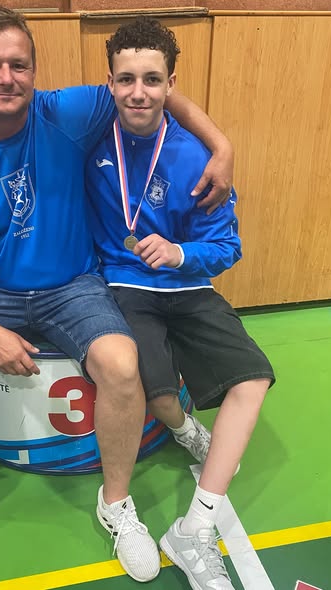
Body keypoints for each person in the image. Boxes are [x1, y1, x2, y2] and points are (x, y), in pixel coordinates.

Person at [0, 4, 235, 585]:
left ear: (34, 69)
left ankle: (117, 502)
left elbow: (153, 92)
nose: (6, 77)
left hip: (74, 285)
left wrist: (222, 147)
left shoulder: (66, 112)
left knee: (121, 363)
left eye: (19, 65)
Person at [84, 17, 276, 590]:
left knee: (253, 378)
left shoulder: (198, 157)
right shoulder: (87, 138)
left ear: (171, 84)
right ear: (109, 83)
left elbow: (228, 246)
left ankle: (196, 529)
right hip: (125, 285)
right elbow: (10, 114)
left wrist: (181, 253)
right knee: (158, 391)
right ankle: (185, 427)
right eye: (126, 79)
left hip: (187, 286)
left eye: (152, 79)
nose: (138, 92)